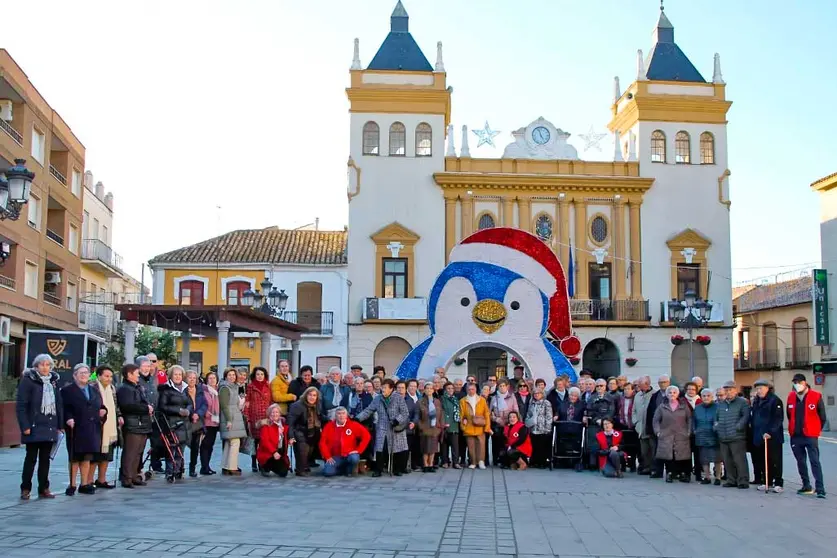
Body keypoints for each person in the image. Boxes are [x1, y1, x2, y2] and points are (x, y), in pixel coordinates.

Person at [16, 354, 64, 500]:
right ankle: (25, 488)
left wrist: (60, 425)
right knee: (30, 459)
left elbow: (58, 405)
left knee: (45, 459)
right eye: (42, 364)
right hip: (33, 425)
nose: (45, 367)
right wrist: (25, 425)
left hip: (49, 425)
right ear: (36, 366)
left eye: (48, 365)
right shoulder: (28, 381)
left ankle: (44, 488)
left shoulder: (53, 382)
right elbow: (21, 406)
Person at [61, 363, 106, 496]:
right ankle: (72, 484)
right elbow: (64, 407)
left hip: (91, 426)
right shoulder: (67, 390)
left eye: (86, 373)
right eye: (80, 373)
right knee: (75, 457)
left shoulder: (94, 390)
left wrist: (104, 411)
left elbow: (101, 405)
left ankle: (84, 483)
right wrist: (68, 418)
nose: (83, 375)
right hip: (76, 426)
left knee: (87, 457)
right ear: (75, 375)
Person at [355, 378, 410, 477]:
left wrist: (397, 420)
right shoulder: (378, 398)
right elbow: (369, 410)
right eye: (382, 387)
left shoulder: (398, 398)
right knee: (380, 448)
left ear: (391, 389)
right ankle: (378, 469)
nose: (382, 389)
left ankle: (397, 469)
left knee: (397, 447)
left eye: (385, 387)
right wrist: (358, 418)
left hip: (395, 427)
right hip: (382, 426)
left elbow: (405, 413)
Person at [787, 373, 827, 498]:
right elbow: (789, 414)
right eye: (795, 383)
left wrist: (816, 430)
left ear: (805, 383)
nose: (797, 385)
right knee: (801, 461)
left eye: (799, 382)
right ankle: (806, 485)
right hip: (796, 435)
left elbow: (822, 417)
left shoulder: (815, 396)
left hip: (810, 435)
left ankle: (820, 488)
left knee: (814, 461)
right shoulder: (791, 397)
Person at [116, 363, 152, 489]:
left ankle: (134, 475)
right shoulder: (125, 389)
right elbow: (128, 406)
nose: (138, 375)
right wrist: (146, 408)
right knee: (130, 452)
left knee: (138, 452)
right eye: (136, 373)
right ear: (129, 374)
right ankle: (127, 478)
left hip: (141, 423)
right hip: (133, 424)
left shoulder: (136, 387)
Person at [156, 365, 193, 482]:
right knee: (171, 448)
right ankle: (170, 471)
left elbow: (190, 402)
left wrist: (188, 410)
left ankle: (178, 470)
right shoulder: (166, 389)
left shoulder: (185, 388)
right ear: (171, 376)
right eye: (175, 374)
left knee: (181, 448)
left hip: (184, 423)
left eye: (180, 374)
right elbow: (162, 406)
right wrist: (178, 411)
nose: (178, 377)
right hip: (172, 423)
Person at [749, 378, 784, 493]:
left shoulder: (775, 400)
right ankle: (766, 481)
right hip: (759, 435)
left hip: (772, 437)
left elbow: (778, 419)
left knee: (775, 460)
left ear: (768, 388)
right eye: (757, 389)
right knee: (763, 460)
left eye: (761, 388)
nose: (759, 391)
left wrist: (770, 432)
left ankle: (778, 483)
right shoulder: (757, 401)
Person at [653, 385, 692, 483]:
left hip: (681, 434)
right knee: (668, 455)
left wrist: (689, 431)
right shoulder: (662, 406)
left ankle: (683, 474)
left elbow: (690, 419)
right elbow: (656, 420)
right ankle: (670, 473)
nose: (672, 394)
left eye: (674, 392)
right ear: (666, 394)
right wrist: (657, 431)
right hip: (666, 434)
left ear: (678, 394)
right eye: (670, 393)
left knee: (682, 455)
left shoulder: (683, 406)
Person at [91, 365, 121, 489]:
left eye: (110, 376)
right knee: (94, 455)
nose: (108, 379)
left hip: (110, 425)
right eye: (106, 376)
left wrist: (119, 416)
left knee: (107, 454)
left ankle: (101, 479)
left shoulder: (112, 388)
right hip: (96, 424)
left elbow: (115, 405)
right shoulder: (93, 387)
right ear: (99, 376)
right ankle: (88, 480)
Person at [715, 380, 750, 489]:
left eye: (730, 390)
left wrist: (738, 426)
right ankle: (731, 479)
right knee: (727, 460)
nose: (728, 392)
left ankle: (743, 480)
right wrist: (716, 427)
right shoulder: (721, 404)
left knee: (739, 460)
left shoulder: (742, 402)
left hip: (737, 436)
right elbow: (716, 418)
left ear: (735, 390)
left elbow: (746, 416)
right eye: (726, 390)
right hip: (723, 436)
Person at [320, 406, 371, 476]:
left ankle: (350, 468)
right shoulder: (328, 426)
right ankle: (344, 469)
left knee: (354, 458)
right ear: (335, 415)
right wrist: (327, 456)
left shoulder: (353, 425)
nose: (341, 416)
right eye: (339, 414)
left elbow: (367, 436)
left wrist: (359, 450)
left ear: (346, 415)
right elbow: (322, 442)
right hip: (335, 456)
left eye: (343, 413)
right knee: (328, 473)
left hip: (349, 455)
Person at [287, 386, 323, 476]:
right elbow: (290, 422)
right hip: (300, 431)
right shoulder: (297, 405)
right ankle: (300, 470)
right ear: (305, 395)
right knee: (302, 450)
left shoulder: (317, 404)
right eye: (310, 395)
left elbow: (320, 416)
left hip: (312, 431)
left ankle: (304, 466)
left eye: (314, 395)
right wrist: (291, 436)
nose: (312, 397)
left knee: (310, 451)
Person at [136, 355, 162, 475]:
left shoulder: (152, 379)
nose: (147, 368)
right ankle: (136, 469)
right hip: (141, 417)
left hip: (154, 417)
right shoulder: (136, 380)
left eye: (149, 366)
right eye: (144, 366)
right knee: (139, 446)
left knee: (156, 443)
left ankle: (155, 465)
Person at [219, 368, 247, 476]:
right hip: (229, 417)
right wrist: (229, 420)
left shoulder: (234, 387)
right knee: (235, 442)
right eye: (229, 375)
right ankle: (232, 467)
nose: (232, 377)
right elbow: (224, 405)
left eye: (233, 375)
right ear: (225, 376)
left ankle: (226, 466)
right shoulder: (225, 388)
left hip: (234, 416)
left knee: (229, 442)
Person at [245, 367, 271, 473]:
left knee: (264, 441)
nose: (260, 376)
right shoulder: (251, 387)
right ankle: (253, 462)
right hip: (254, 417)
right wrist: (247, 417)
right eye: (258, 374)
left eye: (262, 374)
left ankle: (262, 462)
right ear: (254, 376)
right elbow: (247, 402)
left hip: (265, 417)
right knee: (254, 442)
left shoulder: (268, 386)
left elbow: (271, 401)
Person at [584, 379, 615, 470]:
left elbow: (612, 411)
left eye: (601, 386)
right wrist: (597, 419)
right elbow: (589, 411)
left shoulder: (610, 398)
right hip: (594, 424)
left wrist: (605, 420)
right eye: (597, 386)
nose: (599, 388)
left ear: (605, 387)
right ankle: (593, 464)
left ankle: (606, 464)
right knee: (593, 444)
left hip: (607, 424)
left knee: (607, 444)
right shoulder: (591, 398)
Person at [693, 389, 722, 485]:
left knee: (717, 458)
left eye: (708, 395)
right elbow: (693, 421)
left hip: (714, 435)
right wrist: (694, 430)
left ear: (712, 397)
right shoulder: (697, 408)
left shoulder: (717, 407)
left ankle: (718, 477)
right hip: (701, 435)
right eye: (704, 396)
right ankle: (707, 477)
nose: (706, 397)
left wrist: (717, 427)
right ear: (701, 397)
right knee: (704, 458)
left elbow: (720, 420)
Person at [460, 382, 491, 469]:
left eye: (472, 389)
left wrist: (487, 427)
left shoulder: (482, 400)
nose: (471, 391)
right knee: (471, 446)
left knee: (481, 445)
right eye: (469, 389)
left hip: (480, 425)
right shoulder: (463, 401)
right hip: (469, 426)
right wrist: (463, 426)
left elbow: (486, 414)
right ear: (466, 390)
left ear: (476, 389)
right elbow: (461, 415)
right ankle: (473, 462)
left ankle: (481, 461)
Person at [644, 375, 670, 478]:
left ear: (668, 382)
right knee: (656, 450)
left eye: (664, 382)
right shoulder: (655, 396)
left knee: (668, 451)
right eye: (660, 382)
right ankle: (657, 471)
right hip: (656, 428)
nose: (662, 384)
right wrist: (649, 429)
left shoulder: (674, 394)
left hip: (669, 428)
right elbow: (649, 412)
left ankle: (670, 471)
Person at [489, 379, 519, 467]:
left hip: (508, 423)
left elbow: (516, 410)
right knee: (496, 443)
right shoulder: (494, 398)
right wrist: (495, 419)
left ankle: (505, 460)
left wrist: (512, 420)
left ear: (507, 387)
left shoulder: (512, 397)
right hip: (497, 424)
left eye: (503, 386)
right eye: (500, 386)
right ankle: (495, 460)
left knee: (506, 443)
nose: (502, 388)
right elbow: (489, 413)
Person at [256, 404, 291, 477]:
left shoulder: (283, 424)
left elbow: (287, 435)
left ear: (280, 413)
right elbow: (265, 441)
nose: (275, 414)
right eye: (272, 412)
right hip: (268, 453)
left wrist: (291, 439)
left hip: (280, 452)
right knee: (268, 469)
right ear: (269, 414)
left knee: (283, 472)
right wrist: (274, 452)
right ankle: (263, 466)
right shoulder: (266, 425)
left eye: (277, 412)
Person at [184, 370, 207, 478]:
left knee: (195, 447)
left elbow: (204, 404)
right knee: (183, 444)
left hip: (198, 422)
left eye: (194, 378)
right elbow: (184, 405)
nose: (192, 380)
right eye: (190, 377)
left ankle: (192, 468)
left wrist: (198, 414)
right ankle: (180, 467)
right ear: (186, 378)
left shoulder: (200, 390)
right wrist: (191, 414)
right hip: (186, 421)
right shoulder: (183, 391)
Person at [417, 382, 443, 472]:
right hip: (425, 428)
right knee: (425, 448)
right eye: (427, 388)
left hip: (435, 428)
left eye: (431, 388)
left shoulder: (437, 401)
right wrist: (421, 426)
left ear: (433, 390)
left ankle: (431, 464)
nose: (429, 390)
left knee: (433, 448)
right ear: (424, 390)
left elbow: (441, 415)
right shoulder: (420, 401)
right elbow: (417, 415)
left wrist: (440, 426)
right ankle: (425, 465)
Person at [525, 387, 553, 469]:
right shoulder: (532, 403)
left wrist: (548, 428)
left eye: (538, 393)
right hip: (533, 428)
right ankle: (534, 462)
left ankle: (542, 462)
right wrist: (528, 423)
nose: (536, 395)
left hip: (543, 428)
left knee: (542, 446)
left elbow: (549, 416)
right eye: (535, 393)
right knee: (534, 446)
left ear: (542, 394)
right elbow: (528, 414)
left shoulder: (546, 403)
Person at [199, 371, 220, 475]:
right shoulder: (204, 390)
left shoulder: (217, 391)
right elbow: (201, 404)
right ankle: (204, 467)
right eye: (210, 378)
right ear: (207, 380)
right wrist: (207, 414)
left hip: (215, 422)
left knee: (210, 445)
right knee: (205, 445)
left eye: (214, 378)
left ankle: (207, 466)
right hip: (206, 421)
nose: (212, 380)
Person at [616, 382, 638, 472]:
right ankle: (623, 465)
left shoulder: (635, 399)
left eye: (629, 389)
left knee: (632, 447)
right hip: (622, 425)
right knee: (623, 446)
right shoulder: (621, 399)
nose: (626, 391)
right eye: (625, 389)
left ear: (633, 390)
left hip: (632, 425)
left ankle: (632, 464)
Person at [439, 381, 461, 469]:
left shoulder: (455, 399)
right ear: (445, 390)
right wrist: (444, 422)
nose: (450, 390)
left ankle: (455, 462)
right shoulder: (442, 399)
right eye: (448, 388)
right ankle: (445, 461)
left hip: (454, 424)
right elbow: (442, 411)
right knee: (444, 445)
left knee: (455, 445)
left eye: (452, 388)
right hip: (445, 424)